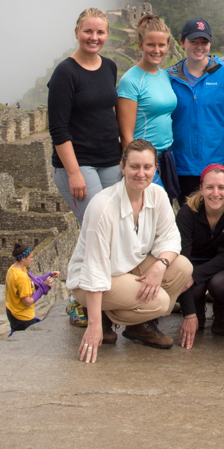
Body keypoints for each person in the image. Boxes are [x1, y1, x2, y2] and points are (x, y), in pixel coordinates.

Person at [68, 140, 194, 360]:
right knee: (162, 302)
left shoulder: (157, 194)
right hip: (92, 281)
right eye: (134, 167)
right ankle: (102, 317)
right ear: (122, 167)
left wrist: (160, 266)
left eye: (147, 167)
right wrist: (94, 326)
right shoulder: (103, 206)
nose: (141, 173)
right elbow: (94, 267)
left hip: (128, 268)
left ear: (156, 168)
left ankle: (139, 326)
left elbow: (171, 238)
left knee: (182, 267)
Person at [49, 8, 123, 226]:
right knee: (98, 228)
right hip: (80, 163)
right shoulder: (65, 72)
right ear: (76, 32)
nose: (94, 37)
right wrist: (73, 173)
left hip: (110, 160)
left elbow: (107, 112)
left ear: (107, 34)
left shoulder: (109, 66)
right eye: (88, 31)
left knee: (117, 225)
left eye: (100, 32)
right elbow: (58, 128)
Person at [167, 18, 224, 204]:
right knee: (188, 224)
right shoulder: (169, 78)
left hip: (219, 168)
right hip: (183, 168)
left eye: (204, 42)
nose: (199, 46)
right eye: (193, 41)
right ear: (182, 42)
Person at [175, 164, 224, 347]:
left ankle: (222, 310)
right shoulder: (186, 213)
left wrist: (196, 276)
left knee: (220, 284)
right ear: (201, 189)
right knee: (192, 285)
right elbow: (183, 258)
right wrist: (188, 313)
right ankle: (196, 309)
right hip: (193, 262)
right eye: (209, 187)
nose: (215, 193)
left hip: (222, 263)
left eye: (222, 187)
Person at [116, 14, 178, 193]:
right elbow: (126, 134)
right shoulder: (131, 81)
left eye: (161, 45)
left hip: (166, 155)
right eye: (151, 44)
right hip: (144, 161)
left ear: (168, 45)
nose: (156, 50)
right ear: (140, 45)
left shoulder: (164, 75)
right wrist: (134, 167)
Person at [5, 242, 59, 336]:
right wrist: (43, 288)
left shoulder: (13, 269)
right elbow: (28, 301)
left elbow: (32, 280)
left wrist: (49, 275)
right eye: (30, 257)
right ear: (23, 259)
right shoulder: (21, 277)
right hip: (23, 317)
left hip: (12, 311)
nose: (32, 259)